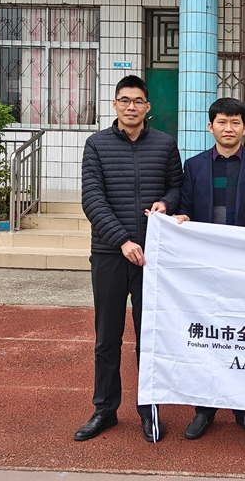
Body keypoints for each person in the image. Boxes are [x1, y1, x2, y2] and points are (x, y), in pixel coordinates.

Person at [76, 75, 182, 443]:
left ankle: (149, 410)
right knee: (107, 338)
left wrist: (166, 203)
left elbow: (176, 186)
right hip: (110, 254)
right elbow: (92, 199)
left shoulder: (165, 144)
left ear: (148, 107)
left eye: (138, 101)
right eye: (125, 100)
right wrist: (122, 240)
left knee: (148, 337)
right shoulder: (97, 144)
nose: (131, 106)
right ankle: (104, 410)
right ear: (115, 104)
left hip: (152, 257)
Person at [173, 97, 245, 441]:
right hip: (205, 266)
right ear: (210, 126)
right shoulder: (194, 166)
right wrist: (182, 217)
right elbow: (186, 206)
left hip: (244, 267)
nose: (228, 128)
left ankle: (244, 408)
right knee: (208, 335)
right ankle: (205, 408)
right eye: (221, 122)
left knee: (243, 335)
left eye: (235, 122)